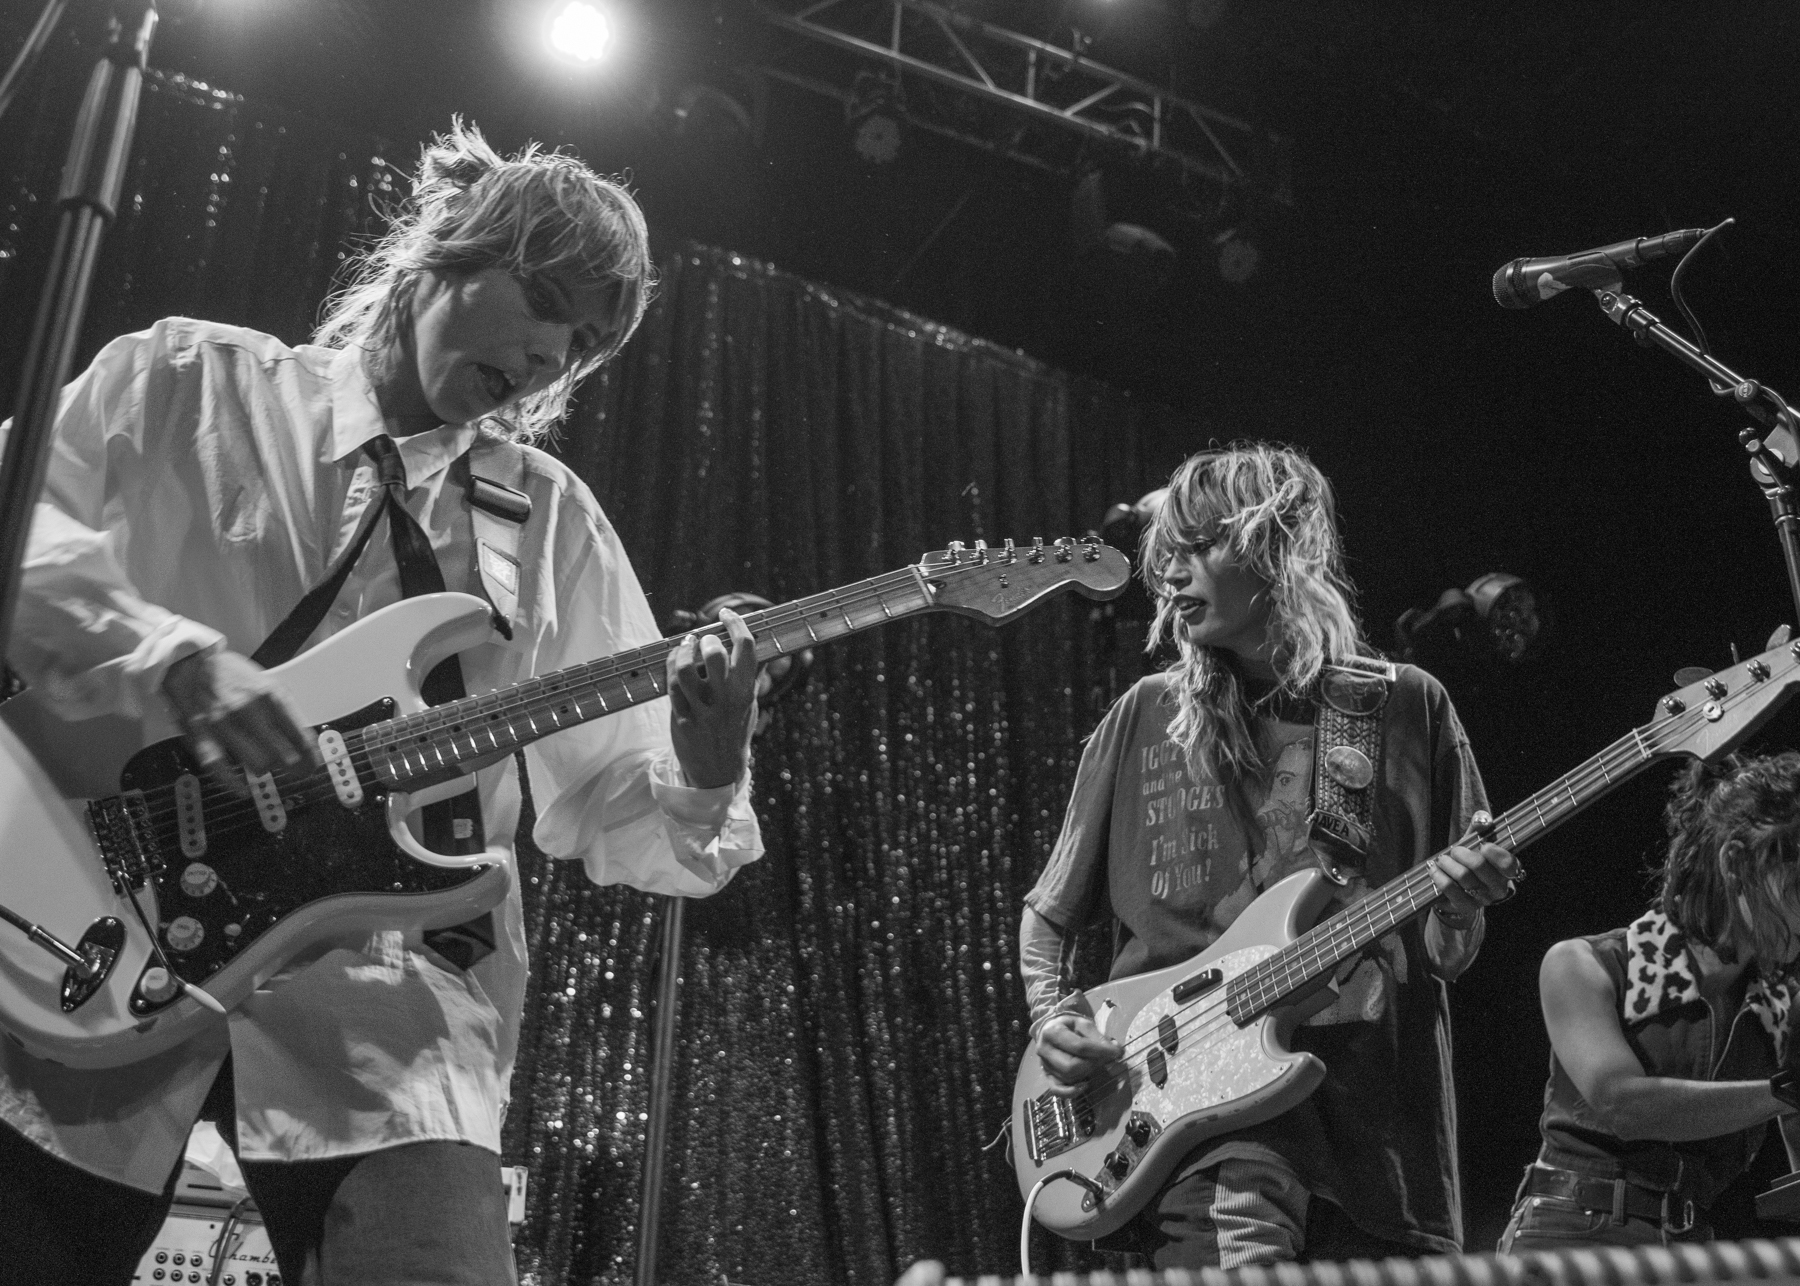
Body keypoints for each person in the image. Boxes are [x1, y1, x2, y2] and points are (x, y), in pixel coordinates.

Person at [0, 121, 761, 1285]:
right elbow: (17, 532)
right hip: (86, 919)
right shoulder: (189, 382)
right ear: (449, 244)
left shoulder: (548, 523)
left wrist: (705, 769)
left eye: (582, 342)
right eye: (544, 301)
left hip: (379, 1002)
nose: (550, 353)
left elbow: (611, 797)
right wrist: (170, 655)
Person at [1019, 442, 1518, 1268]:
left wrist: (1463, 904)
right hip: (1202, 1130)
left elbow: (1446, 954)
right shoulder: (1147, 714)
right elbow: (1048, 914)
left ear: (1277, 547)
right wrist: (1052, 1021)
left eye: (1198, 546)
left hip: (1381, 1136)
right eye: (1167, 553)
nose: (1169, 573)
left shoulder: (1406, 705)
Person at [1498, 752, 1800, 1252]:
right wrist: (1786, 1093)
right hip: (1569, 1235)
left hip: (1689, 1249)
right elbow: (1623, 1104)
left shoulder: (1783, 1008)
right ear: (1734, 863)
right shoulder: (1584, 964)